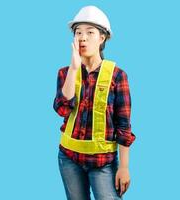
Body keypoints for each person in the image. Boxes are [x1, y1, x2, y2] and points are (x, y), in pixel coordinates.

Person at [53, 5, 136, 200]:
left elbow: (123, 124)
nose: (82, 37)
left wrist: (123, 167)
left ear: (102, 38)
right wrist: (74, 68)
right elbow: (62, 109)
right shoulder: (65, 73)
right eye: (78, 32)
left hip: (103, 163)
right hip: (69, 159)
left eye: (90, 32)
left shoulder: (117, 76)